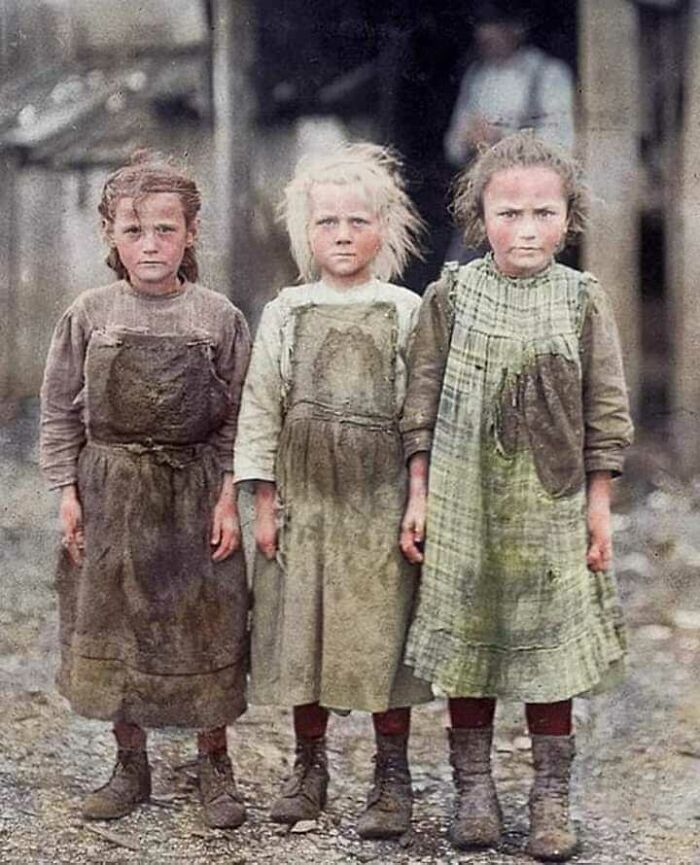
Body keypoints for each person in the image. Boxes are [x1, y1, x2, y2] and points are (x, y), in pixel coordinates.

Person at [399, 132, 633, 860]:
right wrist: (419, 491)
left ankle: (549, 794)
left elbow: (607, 410)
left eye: (542, 213)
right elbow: (420, 399)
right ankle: (473, 787)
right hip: (466, 498)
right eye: (508, 214)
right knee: (470, 642)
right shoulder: (453, 295)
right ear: (479, 218)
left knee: (547, 650)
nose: (525, 229)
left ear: (569, 219)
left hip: (551, 504)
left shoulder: (583, 300)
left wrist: (598, 507)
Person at [40, 152, 251, 829]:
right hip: (112, 491)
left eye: (166, 229)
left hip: (193, 492)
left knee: (206, 621)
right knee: (116, 620)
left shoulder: (217, 316)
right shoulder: (88, 312)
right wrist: (67, 491)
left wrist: (228, 497)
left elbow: (240, 417)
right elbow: (58, 411)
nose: (151, 245)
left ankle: (213, 763)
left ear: (191, 233)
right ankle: (129, 764)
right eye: (134, 232)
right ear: (110, 233)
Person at [234, 143, 432, 839]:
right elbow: (261, 406)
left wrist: (417, 493)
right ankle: (309, 767)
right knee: (304, 636)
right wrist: (262, 500)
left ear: (387, 227)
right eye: (327, 223)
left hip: (377, 506)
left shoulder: (406, 310)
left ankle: (391, 776)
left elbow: (420, 413)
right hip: (306, 504)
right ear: (304, 232)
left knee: (381, 636)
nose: (342, 235)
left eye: (357, 220)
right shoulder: (286, 311)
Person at [443, 3, 575, 264]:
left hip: (533, 201)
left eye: (492, 25)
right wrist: (468, 137)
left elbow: (563, 144)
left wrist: (501, 138)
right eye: (480, 26)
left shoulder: (549, 75)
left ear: (517, 27)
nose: (484, 34)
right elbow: (452, 147)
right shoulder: (477, 76)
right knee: (462, 276)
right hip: (484, 201)